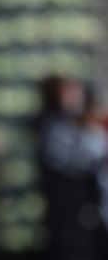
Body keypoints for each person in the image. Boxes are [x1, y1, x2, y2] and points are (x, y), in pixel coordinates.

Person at [36, 76, 108, 260]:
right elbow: (89, 158)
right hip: (69, 215)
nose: (76, 97)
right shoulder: (54, 127)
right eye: (69, 92)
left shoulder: (79, 125)